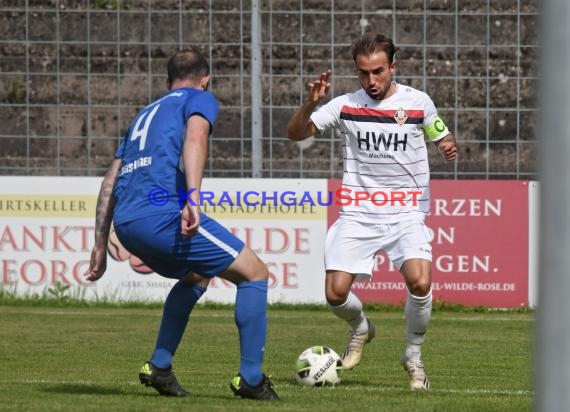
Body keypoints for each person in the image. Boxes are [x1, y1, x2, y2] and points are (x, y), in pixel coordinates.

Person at [84, 48, 279, 401]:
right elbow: (195, 138)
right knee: (255, 273)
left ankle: (159, 366)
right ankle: (251, 379)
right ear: (205, 79)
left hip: (127, 223)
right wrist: (192, 199)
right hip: (161, 215)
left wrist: (100, 242)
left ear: (166, 80)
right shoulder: (198, 99)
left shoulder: (144, 114)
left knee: (196, 274)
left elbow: (110, 181)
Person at [287, 32, 457, 390]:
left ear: (393, 66)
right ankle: (361, 329)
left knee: (421, 281)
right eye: (363, 73)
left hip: (405, 212)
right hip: (358, 212)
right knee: (335, 294)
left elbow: (439, 132)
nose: (371, 80)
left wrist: (446, 144)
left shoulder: (418, 102)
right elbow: (296, 134)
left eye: (378, 71)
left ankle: (413, 355)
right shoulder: (346, 104)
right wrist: (310, 104)